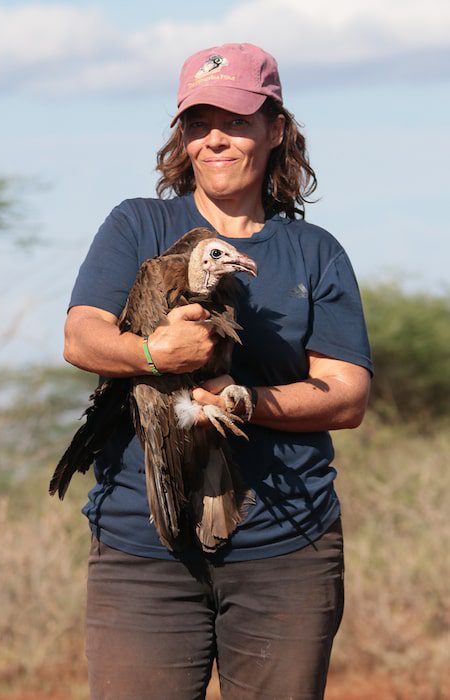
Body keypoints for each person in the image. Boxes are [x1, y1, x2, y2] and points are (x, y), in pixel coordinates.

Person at [64, 43, 372, 700]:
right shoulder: (138, 226)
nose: (214, 141)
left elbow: (347, 396)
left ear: (275, 129)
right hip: (142, 544)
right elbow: (81, 336)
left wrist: (239, 401)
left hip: (285, 543)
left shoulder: (313, 252)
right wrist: (154, 356)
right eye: (198, 124)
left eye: (234, 121)